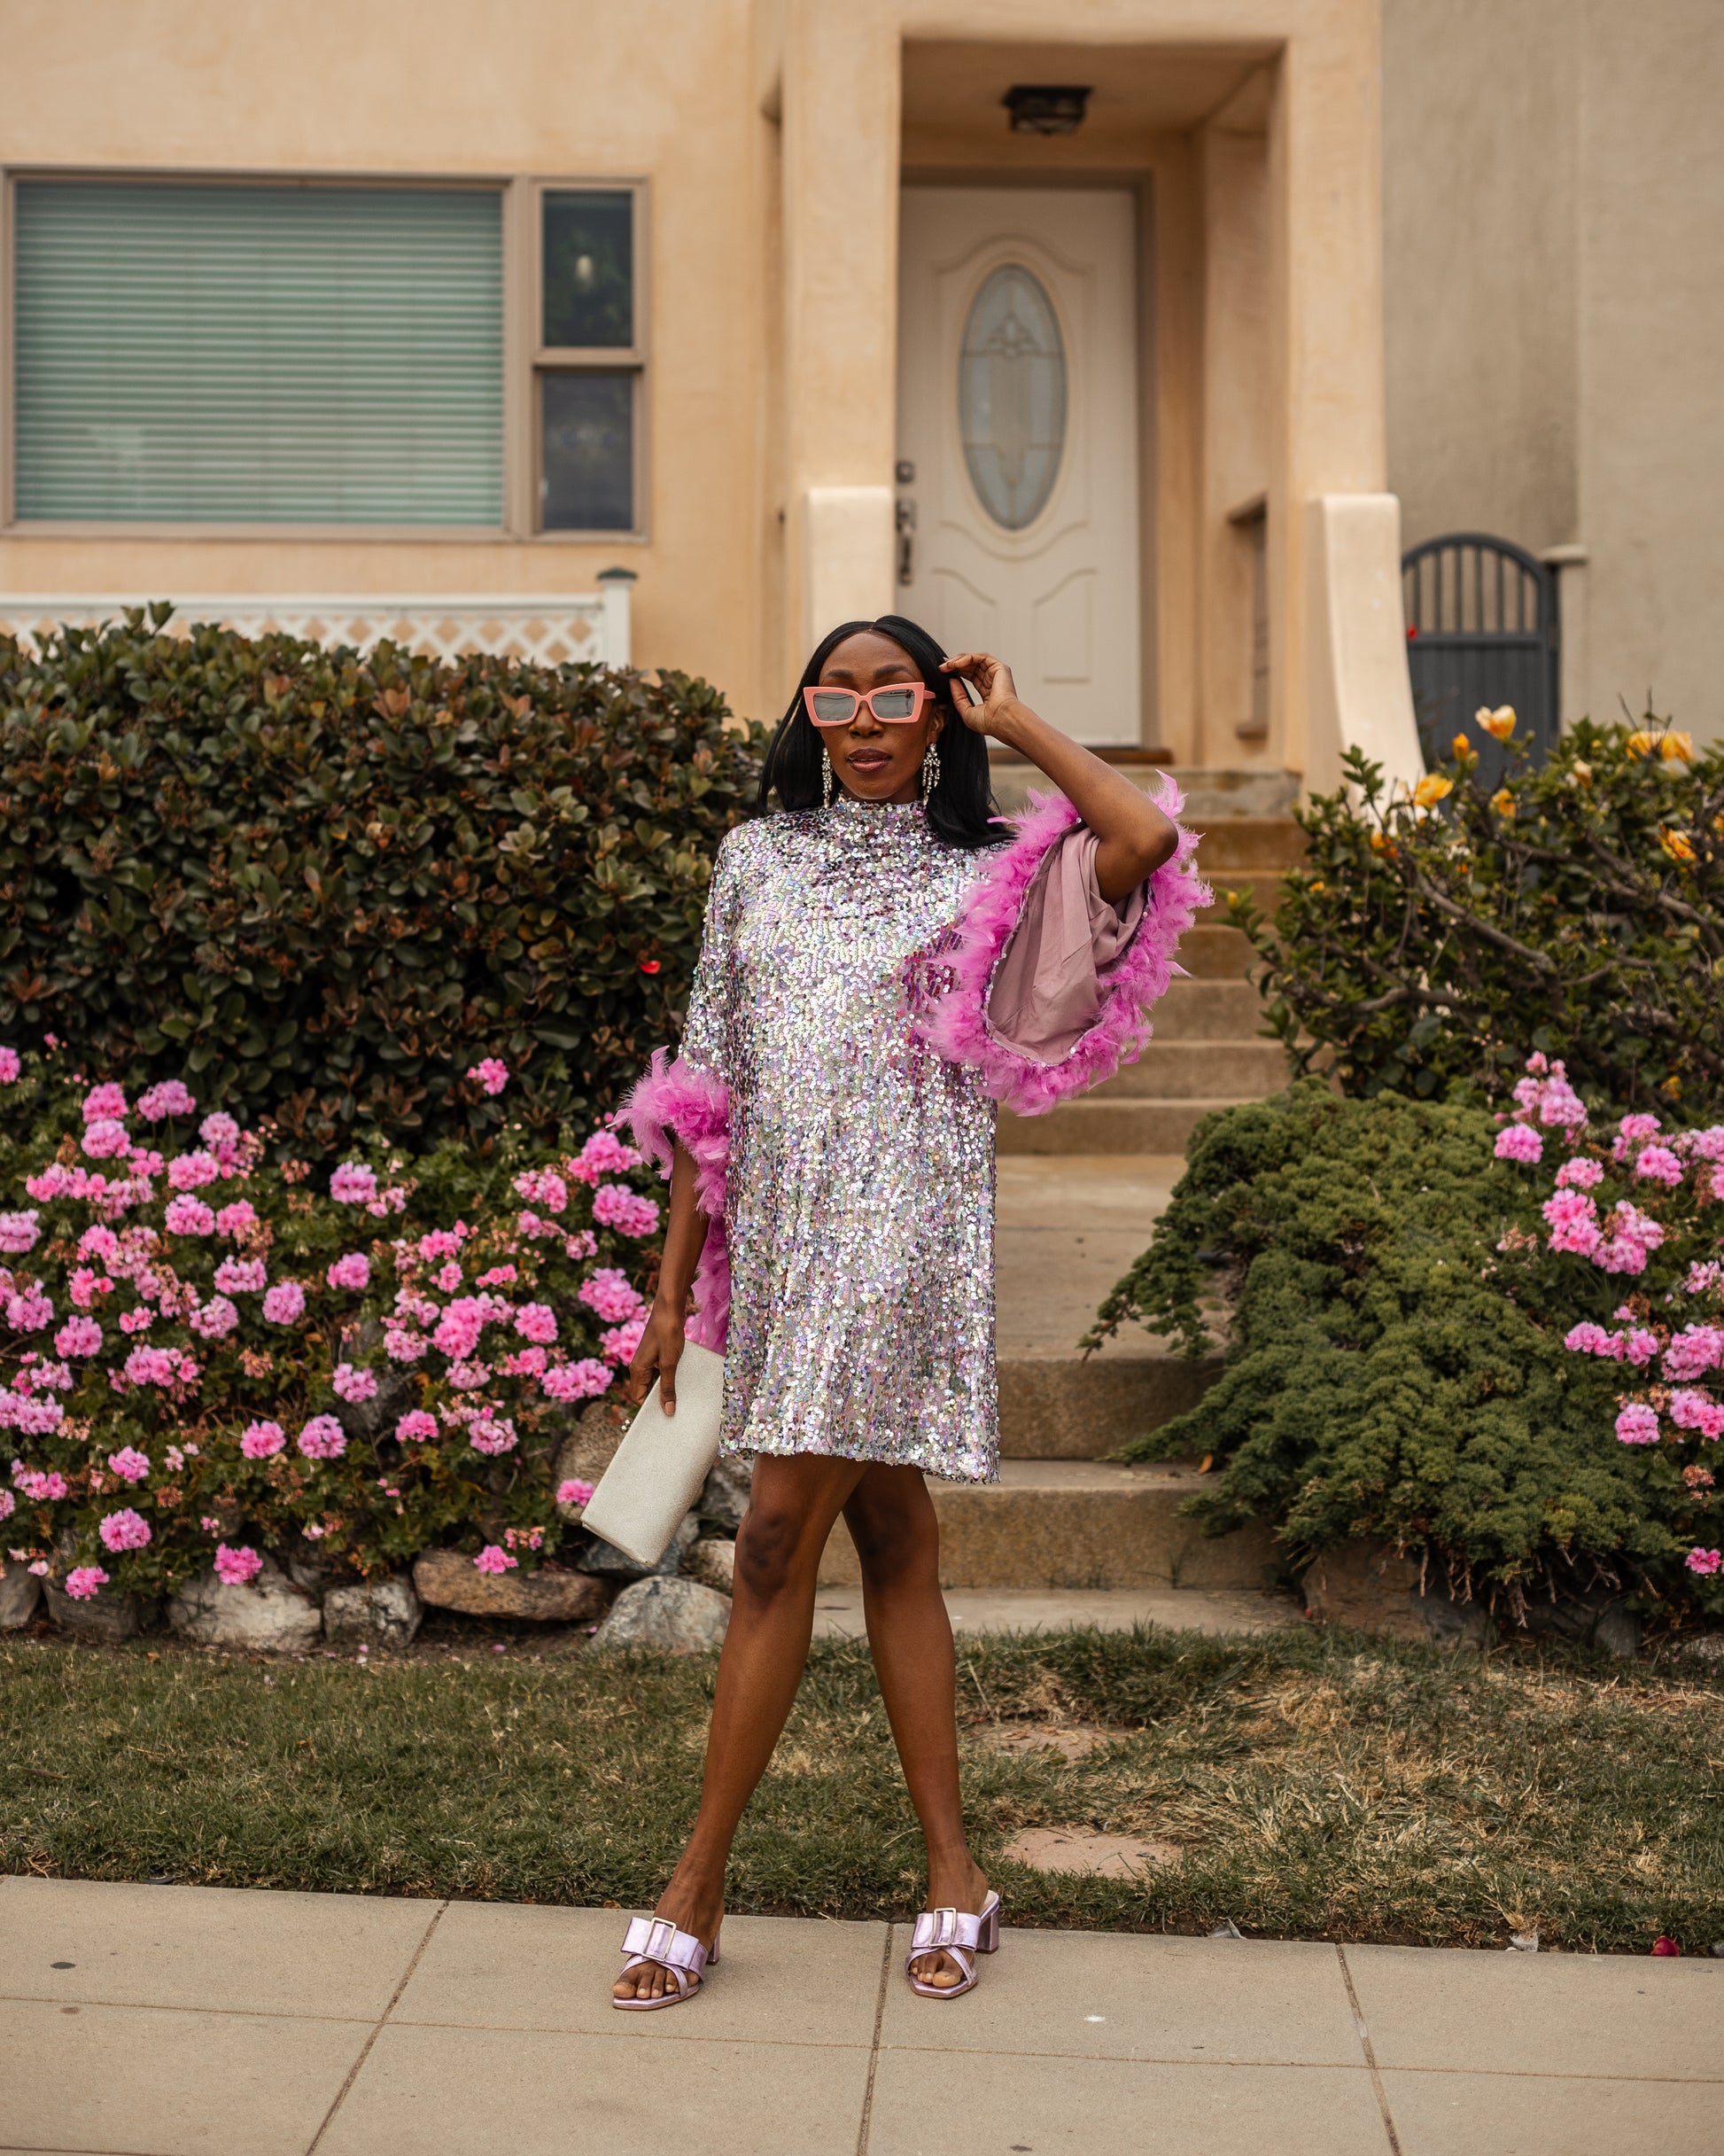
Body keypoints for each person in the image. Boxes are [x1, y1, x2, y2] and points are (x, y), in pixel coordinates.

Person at [611, 615, 1205, 2009]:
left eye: (894, 696)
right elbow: (706, 1085)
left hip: (903, 1245)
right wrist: (671, 1288)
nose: (866, 722)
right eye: (837, 698)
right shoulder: (754, 859)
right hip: (783, 1244)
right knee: (891, 1539)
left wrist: (1018, 722)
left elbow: (1140, 839)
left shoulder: (987, 865)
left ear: (936, 713)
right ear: (807, 716)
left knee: (770, 1542)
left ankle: (695, 1883)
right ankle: (954, 1872)